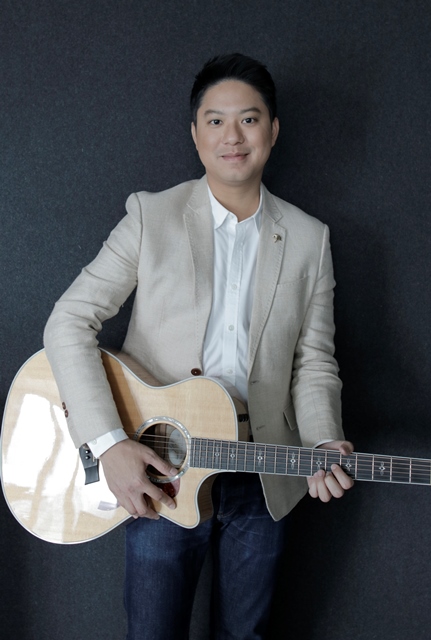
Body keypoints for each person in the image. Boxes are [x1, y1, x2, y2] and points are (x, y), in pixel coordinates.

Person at [44, 53, 354, 640]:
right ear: (195, 133)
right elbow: (68, 322)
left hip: (264, 474)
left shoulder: (310, 239)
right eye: (215, 121)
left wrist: (321, 440)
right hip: (162, 464)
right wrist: (109, 445)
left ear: (273, 130)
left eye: (249, 119)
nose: (232, 136)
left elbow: (314, 361)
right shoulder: (151, 215)